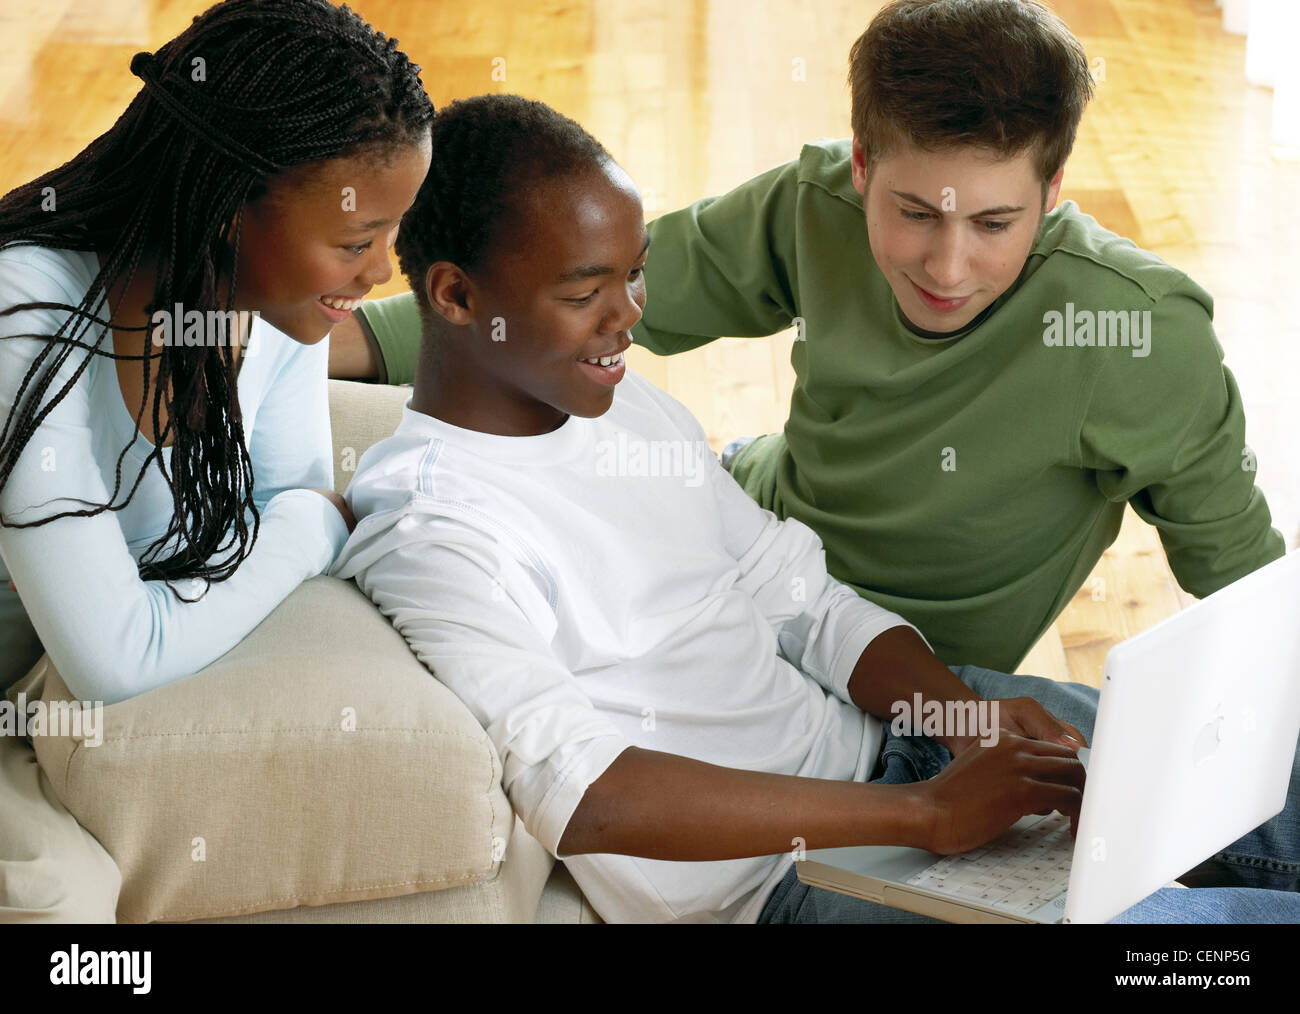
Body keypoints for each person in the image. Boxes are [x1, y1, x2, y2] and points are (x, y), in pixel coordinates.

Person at [331, 93, 1300, 924]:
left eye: (633, 275)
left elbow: (799, 596)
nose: (630, 315)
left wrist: (963, 724)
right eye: (590, 291)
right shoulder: (435, 527)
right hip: (787, 882)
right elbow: (586, 794)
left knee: (1275, 764)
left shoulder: (618, 399)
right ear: (454, 298)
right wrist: (924, 818)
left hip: (897, 743)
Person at [330, 0, 1287, 676]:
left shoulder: (1141, 335)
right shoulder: (814, 201)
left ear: (1054, 186)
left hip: (898, 655)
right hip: (745, 535)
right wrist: (337, 338)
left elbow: (1242, 578)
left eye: (995, 224)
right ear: (863, 164)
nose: (947, 268)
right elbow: (583, 297)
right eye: (914, 212)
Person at [0, 0, 433, 922]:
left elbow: (275, 506)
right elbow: (120, 653)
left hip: (36, 683)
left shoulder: (275, 311)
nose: (384, 271)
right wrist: (310, 527)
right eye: (358, 242)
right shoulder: (23, 312)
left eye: (391, 234)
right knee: (60, 908)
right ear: (229, 206)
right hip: (35, 687)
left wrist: (293, 522)